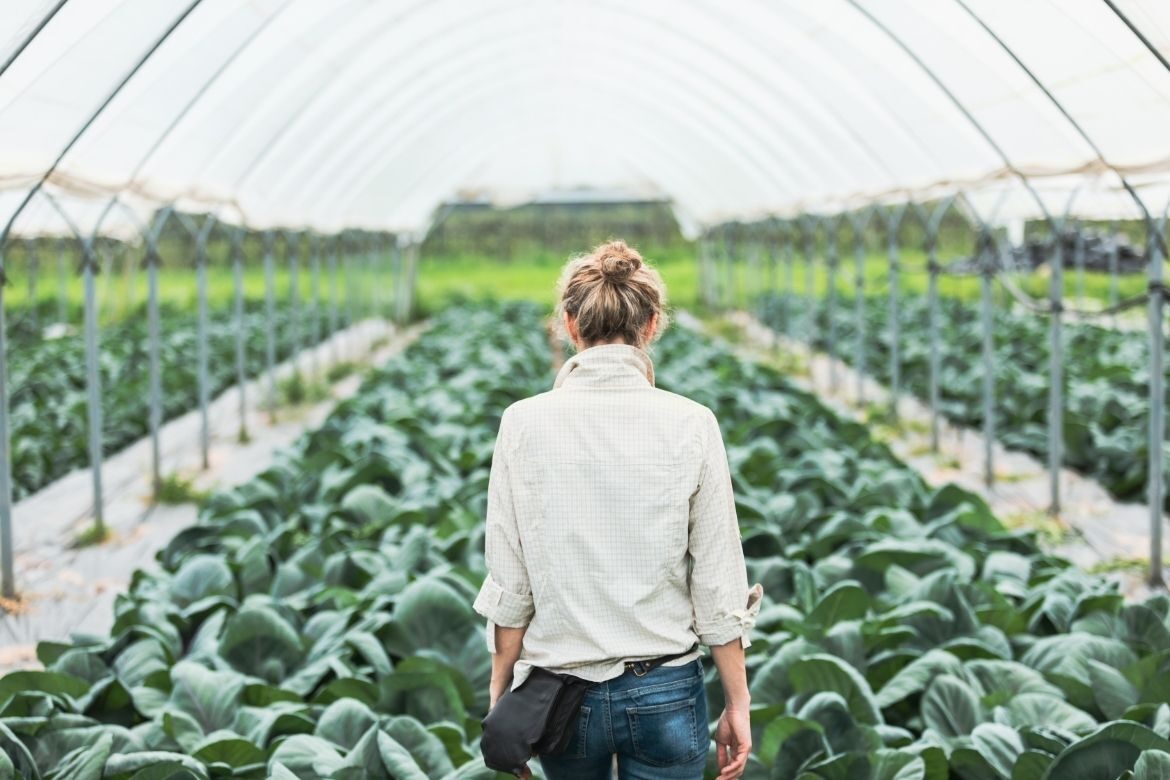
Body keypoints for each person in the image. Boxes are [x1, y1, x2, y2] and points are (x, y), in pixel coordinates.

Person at [473, 239, 763, 780]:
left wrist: (501, 693)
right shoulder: (692, 422)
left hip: (560, 695)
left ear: (569, 325)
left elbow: (511, 585)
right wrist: (737, 704)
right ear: (652, 325)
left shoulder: (522, 423)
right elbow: (719, 582)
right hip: (666, 690)